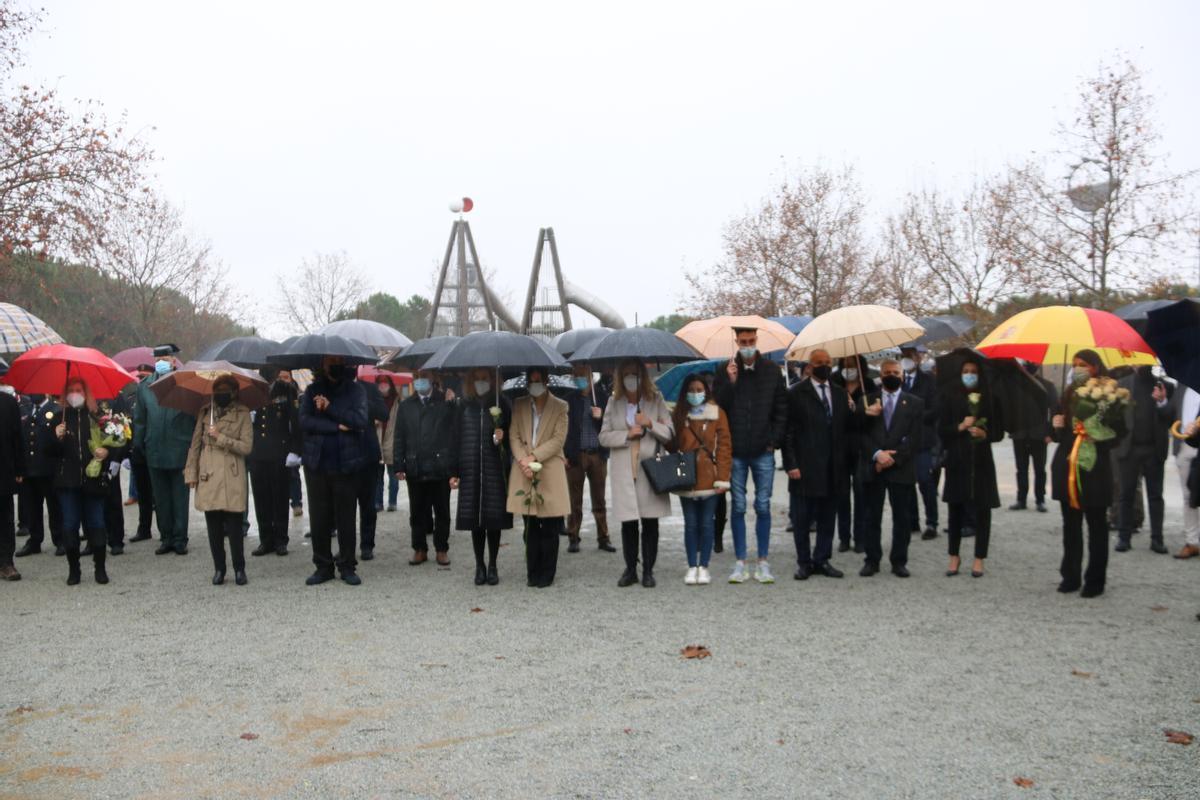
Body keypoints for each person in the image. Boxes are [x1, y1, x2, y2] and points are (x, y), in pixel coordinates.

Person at [712, 326, 787, 584]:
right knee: (739, 506)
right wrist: (731, 383)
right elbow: (718, 407)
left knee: (763, 505)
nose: (747, 345)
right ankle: (741, 561)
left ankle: (763, 560)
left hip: (762, 449)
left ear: (757, 340)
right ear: (736, 341)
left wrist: (773, 441)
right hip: (736, 451)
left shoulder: (771, 370)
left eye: (751, 340)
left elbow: (781, 407)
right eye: (742, 341)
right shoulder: (725, 369)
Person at [1051, 349, 1127, 598]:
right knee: (1070, 525)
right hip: (1067, 465)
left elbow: (1119, 432)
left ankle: (1095, 580)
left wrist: (1098, 434)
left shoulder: (1109, 394)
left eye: (1083, 364)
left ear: (1095, 366)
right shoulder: (1068, 393)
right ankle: (1070, 575)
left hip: (1095, 469)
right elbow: (1058, 434)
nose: (1078, 368)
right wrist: (1056, 426)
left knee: (1096, 526)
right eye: (1075, 364)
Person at [599, 359, 674, 588]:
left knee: (650, 522)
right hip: (625, 468)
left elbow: (670, 432)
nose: (632, 378)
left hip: (650, 468)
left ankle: (648, 571)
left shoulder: (656, 399)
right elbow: (603, 436)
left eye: (636, 374)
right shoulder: (614, 402)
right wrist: (626, 434)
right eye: (628, 374)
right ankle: (630, 569)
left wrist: (650, 423)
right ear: (621, 377)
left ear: (643, 376)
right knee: (628, 522)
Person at [300, 356, 369, 586]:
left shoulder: (355, 391)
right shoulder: (312, 391)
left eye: (340, 360)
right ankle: (322, 566)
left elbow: (359, 421)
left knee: (346, 518)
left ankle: (347, 565)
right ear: (323, 364)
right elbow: (305, 422)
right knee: (319, 518)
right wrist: (335, 426)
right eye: (332, 361)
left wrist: (330, 408)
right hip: (316, 464)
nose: (336, 364)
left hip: (346, 463)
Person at [783, 349, 851, 580]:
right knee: (801, 519)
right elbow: (788, 432)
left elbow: (846, 429)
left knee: (827, 517)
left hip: (833, 467)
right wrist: (790, 463)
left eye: (828, 362)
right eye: (819, 363)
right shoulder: (796, 393)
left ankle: (822, 558)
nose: (824, 366)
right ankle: (804, 562)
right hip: (805, 465)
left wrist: (862, 411)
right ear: (810, 366)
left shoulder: (840, 394)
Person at [51, 378, 124, 585]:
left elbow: (117, 441)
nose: (75, 394)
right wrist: (56, 437)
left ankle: (100, 568)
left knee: (97, 523)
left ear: (86, 393)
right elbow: (46, 451)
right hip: (68, 482)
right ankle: (74, 570)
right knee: (70, 524)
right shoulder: (59, 418)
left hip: (93, 481)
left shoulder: (97, 417)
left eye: (79, 390)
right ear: (65, 394)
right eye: (71, 390)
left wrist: (106, 451)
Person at [858, 358, 924, 578]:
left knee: (902, 518)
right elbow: (859, 434)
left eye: (896, 372)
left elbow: (915, 437)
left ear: (902, 376)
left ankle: (899, 560)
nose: (892, 376)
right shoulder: (867, 401)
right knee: (871, 516)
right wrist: (877, 455)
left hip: (900, 467)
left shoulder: (914, 403)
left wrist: (894, 458)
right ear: (881, 375)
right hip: (874, 467)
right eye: (887, 372)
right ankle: (872, 559)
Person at [184, 377, 253, 586]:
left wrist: (220, 436)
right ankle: (219, 568)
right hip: (209, 472)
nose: (221, 394)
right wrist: (191, 473)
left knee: (234, 526)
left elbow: (246, 447)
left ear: (233, 392)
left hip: (232, 472)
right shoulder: (206, 411)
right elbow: (195, 444)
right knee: (213, 526)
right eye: (218, 390)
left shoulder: (243, 413)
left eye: (225, 390)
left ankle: (239, 568)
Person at [938, 356, 1003, 578]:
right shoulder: (949, 396)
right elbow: (941, 430)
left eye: (973, 371)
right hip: (957, 459)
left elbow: (999, 432)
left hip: (982, 460)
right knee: (955, 509)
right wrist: (959, 427)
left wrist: (985, 433)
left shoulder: (990, 398)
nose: (969, 374)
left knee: (982, 510)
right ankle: (954, 556)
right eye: (965, 370)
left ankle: (979, 558)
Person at [506, 367, 569, 588]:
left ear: (546, 381)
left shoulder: (560, 406)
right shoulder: (519, 404)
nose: (535, 384)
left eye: (538, 380)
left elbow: (558, 440)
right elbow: (513, 436)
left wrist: (534, 456)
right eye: (531, 381)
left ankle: (547, 572)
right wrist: (524, 460)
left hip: (549, 467)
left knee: (550, 525)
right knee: (530, 524)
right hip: (524, 469)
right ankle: (532, 571)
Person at [450, 368, 512, 585]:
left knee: (493, 520)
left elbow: (512, 438)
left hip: (494, 468)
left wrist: (501, 438)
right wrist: (454, 471)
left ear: (493, 380)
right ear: (470, 381)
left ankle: (493, 564)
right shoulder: (464, 405)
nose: (480, 383)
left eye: (485, 379)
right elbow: (455, 439)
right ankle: (479, 565)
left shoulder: (502, 403)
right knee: (475, 520)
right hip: (470, 468)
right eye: (476, 379)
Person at [133, 349, 195, 555]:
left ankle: (180, 538)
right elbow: (140, 419)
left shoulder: (184, 383)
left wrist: (192, 445)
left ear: (173, 361)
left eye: (165, 359)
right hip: (155, 448)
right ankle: (166, 537)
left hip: (179, 448)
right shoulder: (145, 387)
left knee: (179, 497)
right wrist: (138, 444)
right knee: (160, 498)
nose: (161, 362)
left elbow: (193, 417)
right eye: (158, 359)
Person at [671, 374, 731, 585]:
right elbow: (671, 445)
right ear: (685, 392)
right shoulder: (678, 414)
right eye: (691, 389)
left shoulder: (717, 414)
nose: (695, 394)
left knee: (707, 524)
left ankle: (704, 565)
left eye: (699, 389)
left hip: (710, 475)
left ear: (706, 390)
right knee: (690, 524)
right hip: (686, 475)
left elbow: (724, 446)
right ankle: (691, 566)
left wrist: (723, 477)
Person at [393, 368, 456, 566]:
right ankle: (419, 548)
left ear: (433, 378)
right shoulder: (406, 405)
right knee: (417, 511)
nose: (421, 381)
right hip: (415, 465)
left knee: (442, 510)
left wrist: (452, 403)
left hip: (440, 465)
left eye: (425, 377)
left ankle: (441, 548)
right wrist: (398, 464)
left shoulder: (444, 401)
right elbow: (399, 436)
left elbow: (454, 431)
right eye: (417, 377)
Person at [1114, 365, 1172, 554]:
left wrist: (1162, 402)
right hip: (1129, 449)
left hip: (1154, 449)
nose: (1139, 364)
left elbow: (1171, 417)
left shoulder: (1164, 386)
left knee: (1155, 496)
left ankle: (1157, 539)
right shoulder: (1121, 385)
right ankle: (1124, 537)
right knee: (1125, 495)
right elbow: (1114, 418)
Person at [564, 364, 614, 553]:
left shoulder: (602, 398)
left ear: (591, 376)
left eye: (582, 375)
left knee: (599, 499)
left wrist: (599, 418)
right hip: (576, 455)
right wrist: (566, 454)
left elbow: (609, 426)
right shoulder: (569, 400)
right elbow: (564, 430)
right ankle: (573, 536)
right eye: (576, 375)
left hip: (597, 455)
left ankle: (603, 537)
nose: (579, 379)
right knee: (574, 500)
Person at [249, 376, 301, 557]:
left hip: (279, 452)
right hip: (258, 453)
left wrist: (295, 450)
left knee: (279, 498)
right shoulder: (252, 390)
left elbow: (295, 421)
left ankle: (280, 539)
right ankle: (266, 539)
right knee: (261, 498)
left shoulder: (286, 390)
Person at [899, 344, 940, 540]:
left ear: (918, 358)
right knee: (907, 484)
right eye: (904, 356)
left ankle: (932, 522)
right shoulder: (898, 381)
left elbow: (934, 410)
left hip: (923, 439)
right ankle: (912, 521)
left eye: (910, 355)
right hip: (903, 441)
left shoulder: (929, 381)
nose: (907, 359)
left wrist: (914, 415)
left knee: (925, 482)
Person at [14, 393, 62, 558]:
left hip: (48, 468)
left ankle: (59, 539)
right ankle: (35, 541)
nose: (34, 393)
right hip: (29, 468)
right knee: (32, 508)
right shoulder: (24, 409)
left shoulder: (56, 409)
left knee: (54, 507)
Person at [833, 355, 870, 554]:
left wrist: (861, 411)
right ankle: (844, 536)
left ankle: (861, 537)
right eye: (845, 366)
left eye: (852, 365)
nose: (849, 369)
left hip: (861, 447)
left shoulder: (869, 385)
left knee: (861, 492)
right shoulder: (835, 386)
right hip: (840, 447)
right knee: (842, 494)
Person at [1008, 361, 1057, 513]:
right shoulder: (1015, 384)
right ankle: (1021, 499)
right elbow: (1008, 407)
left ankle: (1040, 499)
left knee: (1039, 469)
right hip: (1020, 433)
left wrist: (1051, 433)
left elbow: (1054, 409)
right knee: (1021, 468)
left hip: (1040, 434)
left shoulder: (1047, 385)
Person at [355, 378, 389, 561]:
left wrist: (364, 401)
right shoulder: (335, 389)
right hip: (343, 455)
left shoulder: (368, 388)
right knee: (344, 506)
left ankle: (367, 545)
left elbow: (384, 414)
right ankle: (347, 545)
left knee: (367, 505)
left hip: (367, 452)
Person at [124, 364, 156, 543]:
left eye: (145, 375)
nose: (141, 378)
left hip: (154, 450)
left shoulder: (158, 397)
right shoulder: (131, 399)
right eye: (139, 376)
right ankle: (144, 529)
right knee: (143, 495)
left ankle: (166, 531)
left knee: (158, 495)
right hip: (137, 453)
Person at [1172, 384, 1200, 559]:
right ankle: (1192, 542)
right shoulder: (1181, 387)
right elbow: (1170, 412)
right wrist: (1161, 402)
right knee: (1189, 497)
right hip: (1186, 445)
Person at [0, 384, 23, 581]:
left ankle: (6, 562)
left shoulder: (8, 403)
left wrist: (20, 469)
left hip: (3, 470)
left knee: (5, 519)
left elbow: (18, 438)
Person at [274, 370, 305, 518]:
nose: (283, 380)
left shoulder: (297, 395)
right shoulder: (275, 395)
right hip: (280, 441)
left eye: (286, 377)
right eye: (280, 378)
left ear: (291, 378)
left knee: (293, 474)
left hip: (294, 441)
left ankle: (297, 502)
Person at [374, 375, 401, 512]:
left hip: (392, 442)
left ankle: (392, 502)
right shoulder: (373, 400)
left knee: (393, 475)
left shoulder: (397, 401)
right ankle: (378, 503)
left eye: (385, 382)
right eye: (380, 383)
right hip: (377, 441)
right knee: (377, 477)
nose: (383, 385)